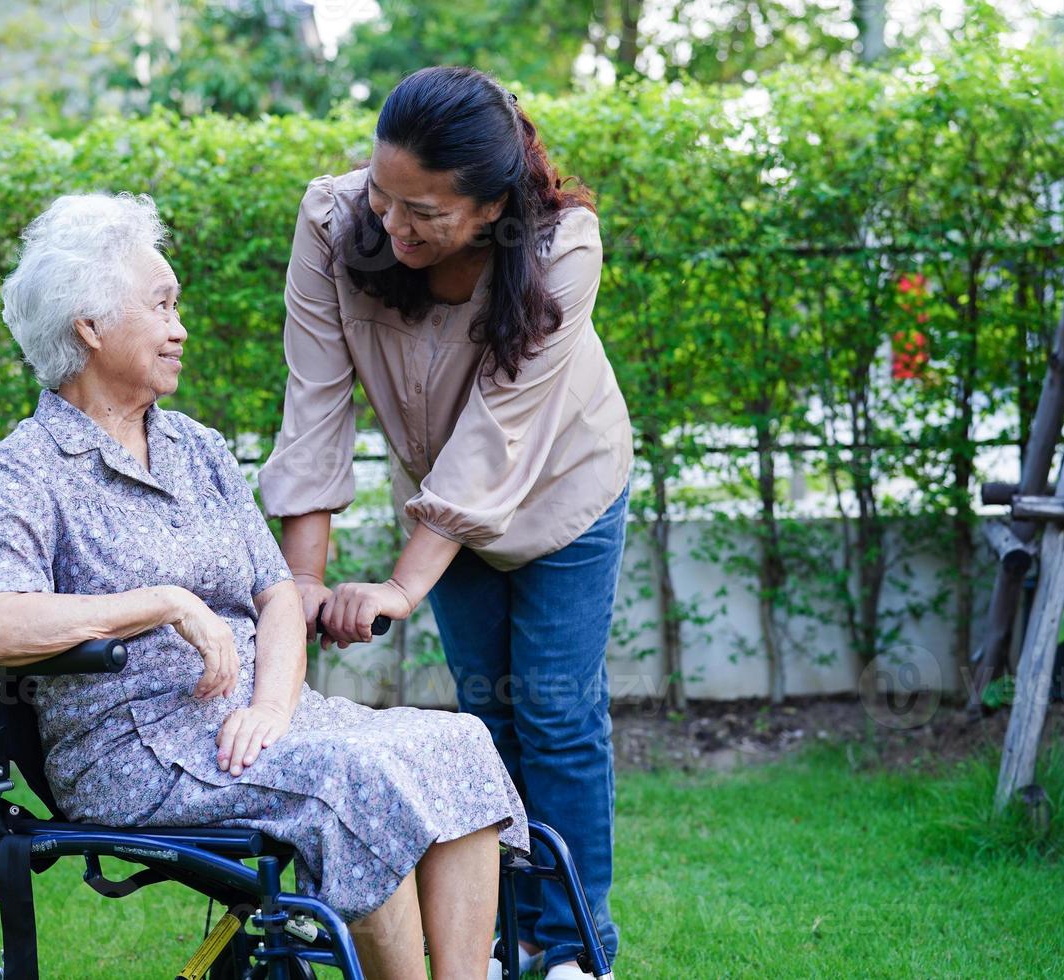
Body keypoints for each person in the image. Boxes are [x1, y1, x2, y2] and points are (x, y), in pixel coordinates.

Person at [0, 191, 528, 980]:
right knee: (355, 779)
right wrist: (166, 603)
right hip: (136, 748)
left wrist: (270, 706)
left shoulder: (197, 449)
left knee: (456, 741)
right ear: (88, 328)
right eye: (160, 306)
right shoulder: (24, 468)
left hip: (255, 722)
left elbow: (277, 593)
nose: (179, 327)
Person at [259, 66, 632, 980]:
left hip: (563, 490)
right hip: (444, 507)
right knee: (486, 723)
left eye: (422, 212)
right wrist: (303, 586)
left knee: (553, 710)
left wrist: (397, 584)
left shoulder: (559, 249)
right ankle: (501, 943)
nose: (393, 225)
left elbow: (499, 432)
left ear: (492, 202)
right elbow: (315, 409)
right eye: (383, 196)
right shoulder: (333, 221)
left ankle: (576, 952)